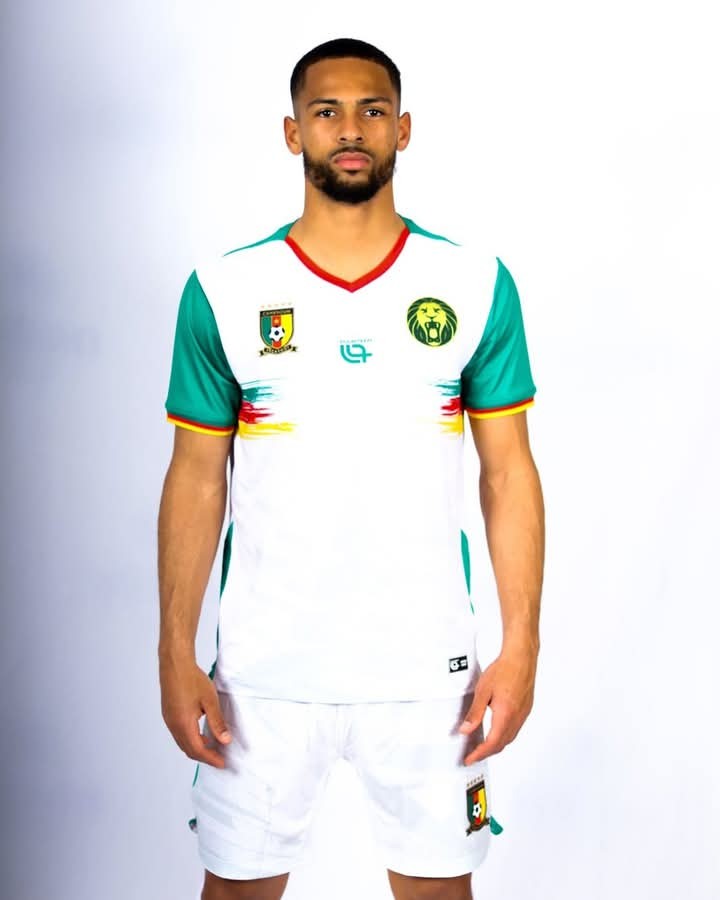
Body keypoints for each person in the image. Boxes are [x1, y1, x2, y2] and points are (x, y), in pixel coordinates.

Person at [158, 37, 545, 900]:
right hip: (263, 676)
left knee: (440, 891)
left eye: (372, 110)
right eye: (326, 111)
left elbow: (509, 474)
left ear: (402, 129)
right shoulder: (224, 289)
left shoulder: (474, 282)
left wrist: (522, 644)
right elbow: (196, 477)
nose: (350, 129)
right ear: (292, 132)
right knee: (236, 890)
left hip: (427, 676)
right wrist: (173, 648)